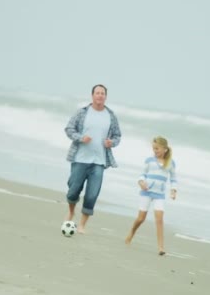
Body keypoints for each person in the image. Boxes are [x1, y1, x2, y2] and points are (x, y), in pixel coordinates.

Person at [64, 84, 122, 233]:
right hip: (80, 158)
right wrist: (81, 138)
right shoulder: (82, 112)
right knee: (73, 191)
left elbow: (117, 136)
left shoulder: (111, 116)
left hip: (99, 161)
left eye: (103, 93)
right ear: (92, 95)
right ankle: (71, 211)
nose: (100, 95)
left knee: (92, 194)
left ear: (105, 97)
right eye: (97, 93)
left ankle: (82, 225)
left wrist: (111, 143)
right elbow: (69, 129)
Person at [125, 136, 177, 256]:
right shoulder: (149, 160)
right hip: (146, 192)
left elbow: (174, 179)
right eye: (154, 149)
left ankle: (161, 248)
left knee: (159, 220)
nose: (155, 151)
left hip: (160, 195)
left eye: (157, 149)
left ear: (164, 149)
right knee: (141, 219)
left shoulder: (171, 163)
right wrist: (141, 182)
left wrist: (173, 190)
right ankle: (131, 232)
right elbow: (142, 175)